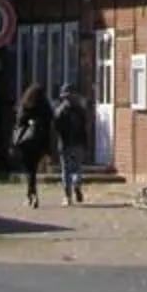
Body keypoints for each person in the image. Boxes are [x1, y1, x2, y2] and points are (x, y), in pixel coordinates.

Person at [10, 80, 53, 209]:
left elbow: (19, 123)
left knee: (30, 171)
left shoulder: (26, 105)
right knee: (33, 169)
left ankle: (31, 194)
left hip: (27, 143)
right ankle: (32, 194)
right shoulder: (46, 108)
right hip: (40, 143)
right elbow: (49, 124)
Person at [53, 78, 88, 206]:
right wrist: (85, 142)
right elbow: (85, 126)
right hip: (78, 143)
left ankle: (68, 197)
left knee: (66, 170)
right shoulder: (80, 110)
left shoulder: (60, 111)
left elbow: (56, 128)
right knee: (77, 167)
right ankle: (76, 182)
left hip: (65, 144)